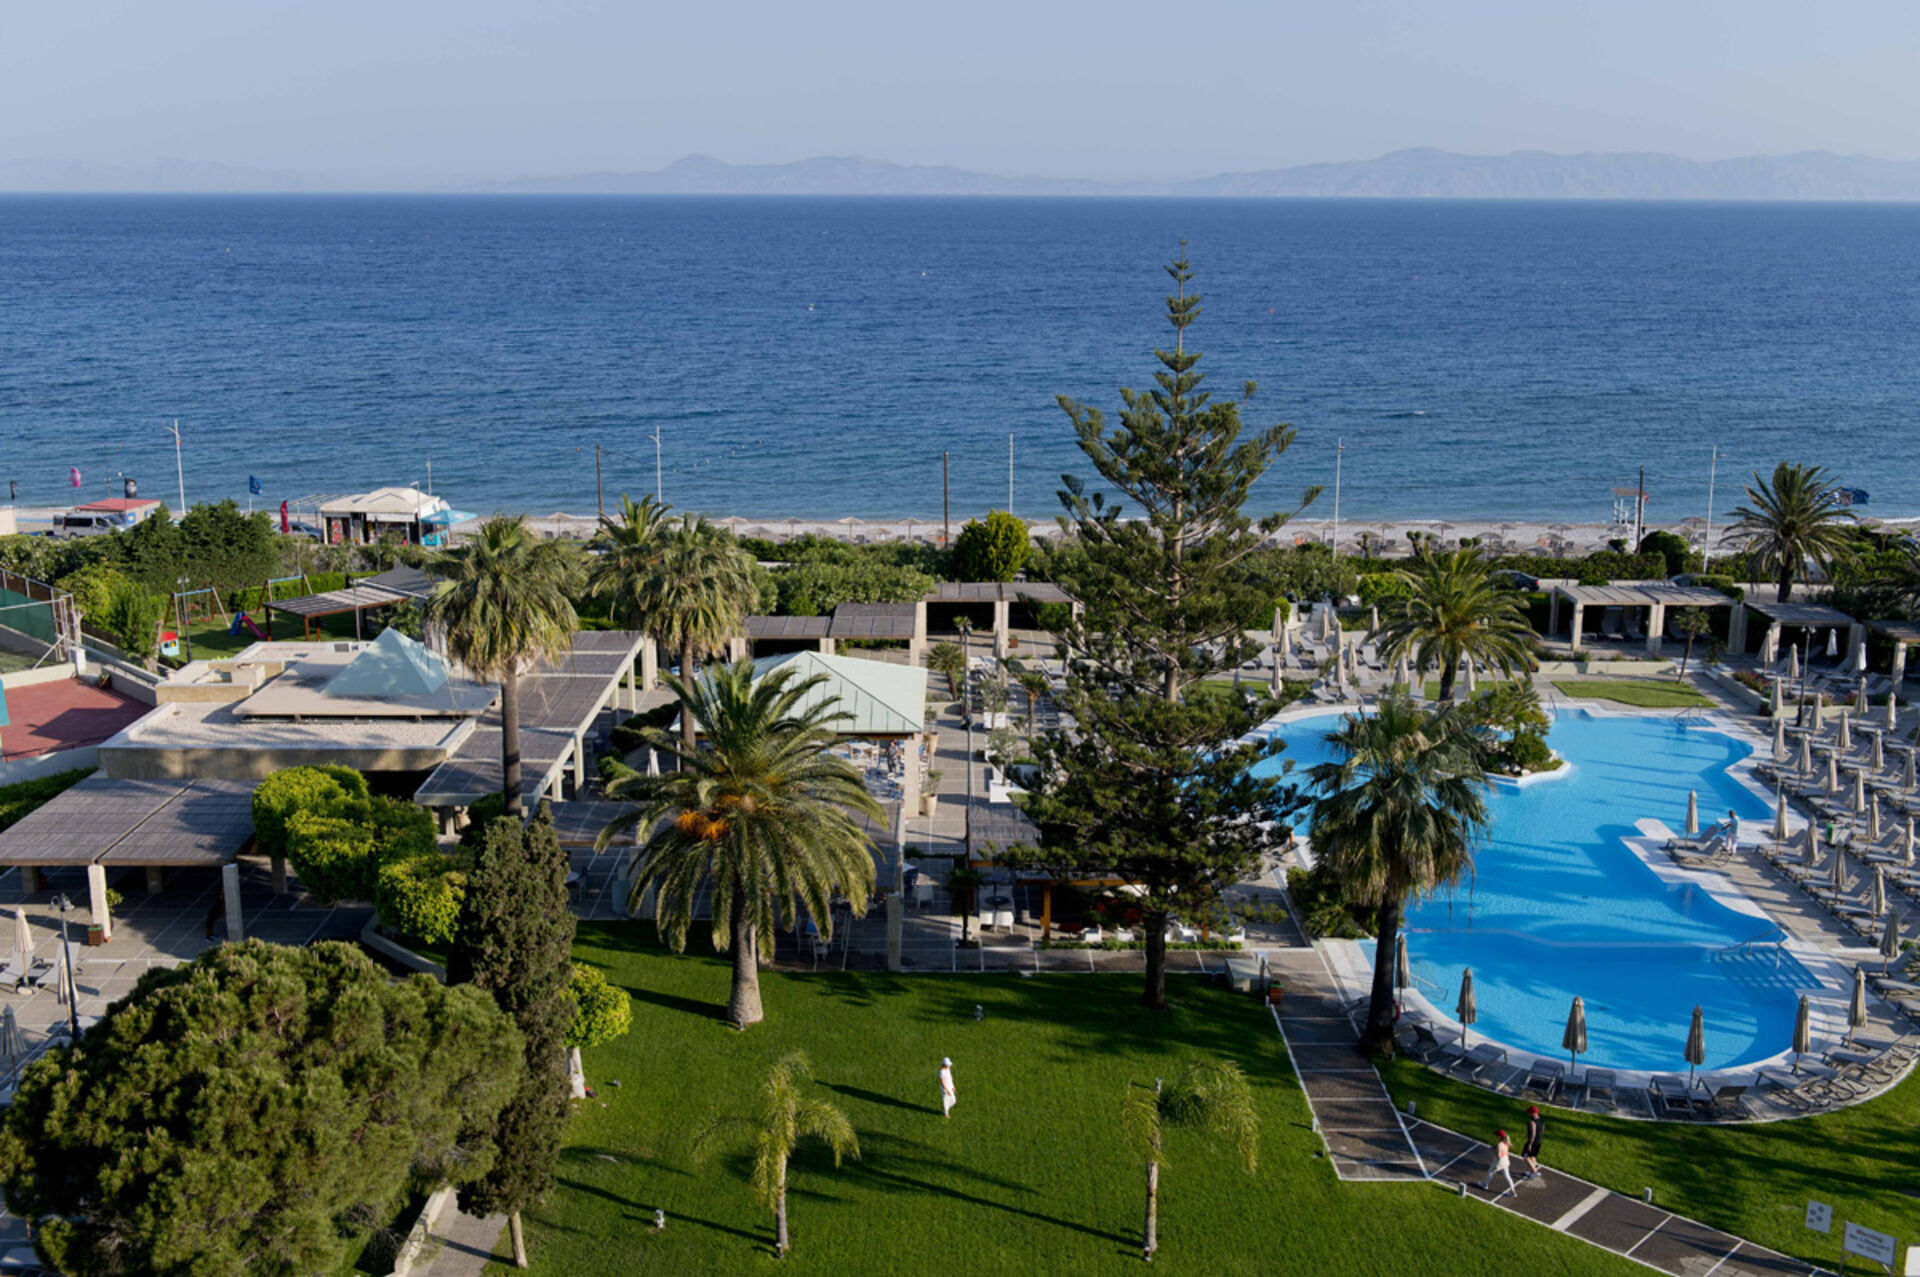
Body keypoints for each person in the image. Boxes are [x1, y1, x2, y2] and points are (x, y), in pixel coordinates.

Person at [1479, 1128, 1516, 1198]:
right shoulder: (1506, 1143)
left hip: (1499, 1162)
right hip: (1506, 1161)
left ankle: (1485, 1185)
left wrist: (1495, 1151)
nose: (1496, 1137)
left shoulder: (1499, 1144)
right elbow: (1503, 1150)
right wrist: (1495, 1148)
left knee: (1490, 1172)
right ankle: (1513, 1191)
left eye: (1497, 1136)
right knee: (1507, 1176)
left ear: (1499, 1137)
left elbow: (1498, 1155)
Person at [1521, 1105, 1544, 1180]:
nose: (1529, 1114)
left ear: (1533, 1113)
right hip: (1538, 1141)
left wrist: (1530, 1144)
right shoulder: (1541, 1120)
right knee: (1532, 1156)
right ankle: (1532, 1171)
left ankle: (1534, 1172)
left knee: (1525, 1156)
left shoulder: (1532, 1122)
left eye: (1530, 1112)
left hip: (1532, 1142)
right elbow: (1543, 1130)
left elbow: (1533, 1133)